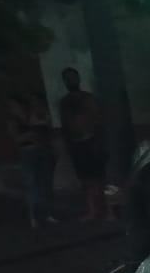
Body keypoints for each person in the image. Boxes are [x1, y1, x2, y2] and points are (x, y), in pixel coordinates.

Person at [58, 67, 107, 222]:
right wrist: (67, 144)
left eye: (73, 78)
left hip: (91, 141)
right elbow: (65, 124)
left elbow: (98, 120)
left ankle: (104, 209)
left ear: (78, 79)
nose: (70, 81)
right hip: (76, 144)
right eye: (67, 79)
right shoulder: (65, 102)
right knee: (85, 179)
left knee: (98, 179)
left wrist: (99, 141)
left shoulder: (88, 99)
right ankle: (93, 210)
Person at [9, 91, 57, 228]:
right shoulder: (14, 121)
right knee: (32, 185)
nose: (14, 108)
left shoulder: (34, 115)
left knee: (46, 184)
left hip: (43, 151)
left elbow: (46, 132)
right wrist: (30, 135)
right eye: (12, 106)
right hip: (28, 153)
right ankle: (33, 216)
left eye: (15, 105)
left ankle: (47, 213)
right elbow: (17, 139)